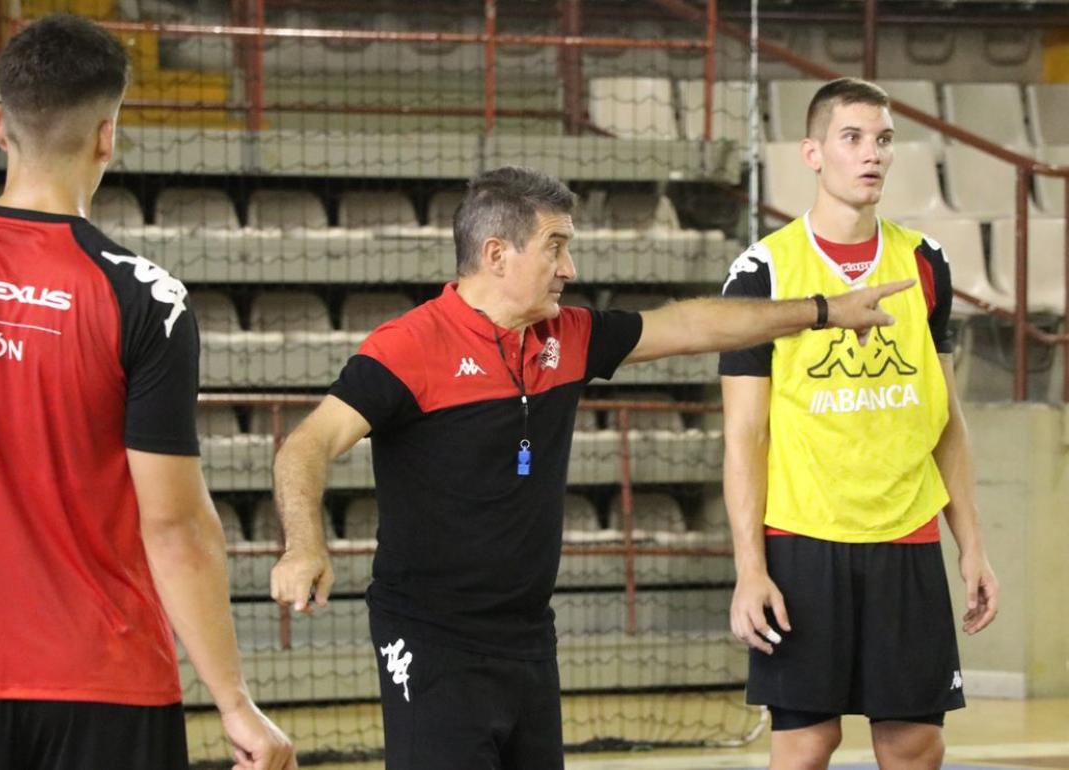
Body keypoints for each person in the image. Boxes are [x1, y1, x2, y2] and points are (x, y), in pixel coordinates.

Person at [269, 165, 911, 770]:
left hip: (528, 636)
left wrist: (823, 311)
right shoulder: (409, 347)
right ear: (497, 255)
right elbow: (306, 444)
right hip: (429, 638)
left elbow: (692, 325)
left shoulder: (568, 336)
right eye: (554, 247)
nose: (568, 268)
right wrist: (304, 545)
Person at [0, 14, 294, 770]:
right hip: (109, 693)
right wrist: (233, 703)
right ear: (107, 135)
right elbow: (176, 527)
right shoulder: (146, 297)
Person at [720, 77, 1000, 770]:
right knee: (807, 746)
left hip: (905, 535)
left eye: (882, 140)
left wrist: (971, 544)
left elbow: (944, 418)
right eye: (852, 138)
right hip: (803, 539)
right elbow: (744, 436)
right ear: (813, 153)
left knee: (914, 747)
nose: (871, 154)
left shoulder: (925, 263)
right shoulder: (763, 272)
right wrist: (749, 567)